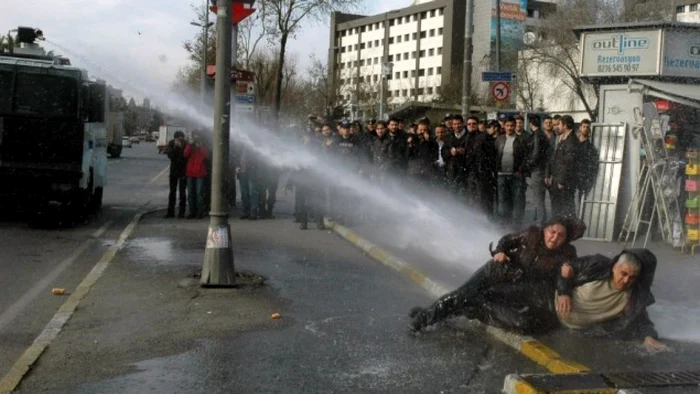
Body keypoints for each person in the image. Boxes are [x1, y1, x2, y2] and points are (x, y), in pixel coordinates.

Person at [408, 216, 586, 332]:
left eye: (560, 235)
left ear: (566, 239)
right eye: (552, 232)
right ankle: (424, 317)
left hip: (516, 285)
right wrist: (500, 251)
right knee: (464, 293)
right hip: (498, 270)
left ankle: (433, 313)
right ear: (545, 230)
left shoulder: (567, 253)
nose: (554, 238)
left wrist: (564, 292)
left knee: (486, 305)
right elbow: (507, 240)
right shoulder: (532, 234)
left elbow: (564, 275)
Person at [183, 132, 209, 219]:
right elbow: (185, 154)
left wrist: (200, 146)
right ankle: (192, 211)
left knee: (199, 193)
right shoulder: (190, 145)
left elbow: (206, 155)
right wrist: (190, 144)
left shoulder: (202, 145)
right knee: (191, 193)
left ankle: (200, 212)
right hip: (190, 172)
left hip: (200, 172)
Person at [164, 131, 187, 218]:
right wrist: (175, 147)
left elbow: (185, 156)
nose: (179, 141)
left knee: (182, 192)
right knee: (172, 192)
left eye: (181, 139)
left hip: (183, 171)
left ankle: (181, 212)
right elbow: (170, 155)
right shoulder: (171, 143)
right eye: (177, 139)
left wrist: (181, 147)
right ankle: (170, 212)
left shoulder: (185, 144)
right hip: (174, 170)